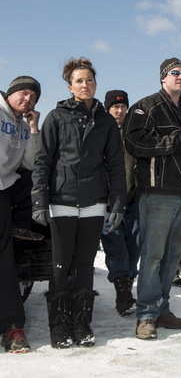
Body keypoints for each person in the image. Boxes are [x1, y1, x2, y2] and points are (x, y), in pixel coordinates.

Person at [32, 58, 126, 348]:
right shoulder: (56, 117)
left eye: (89, 80)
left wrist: (118, 202)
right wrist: (39, 200)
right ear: (70, 85)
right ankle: (59, 326)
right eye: (79, 81)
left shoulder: (105, 120)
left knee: (85, 264)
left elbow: (115, 166)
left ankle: (82, 323)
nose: (86, 85)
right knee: (61, 265)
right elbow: (42, 160)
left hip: (93, 202)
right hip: (62, 200)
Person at [123, 57, 181, 340]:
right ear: (163, 77)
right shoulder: (145, 108)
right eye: (175, 73)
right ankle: (146, 315)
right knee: (153, 256)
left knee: (172, 257)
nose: (180, 77)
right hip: (156, 193)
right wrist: (178, 142)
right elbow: (134, 143)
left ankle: (162, 309)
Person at [0, 76, 41, 353]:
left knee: (5, 258)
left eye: (33, 98)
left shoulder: (22, 124)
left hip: (4, 189)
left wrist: (33, 128)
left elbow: (30, 162)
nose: (27, 100)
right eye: (23, 94)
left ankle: (12, 325)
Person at [100, 90, 139, 316]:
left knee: (133, 246)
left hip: (133, 199)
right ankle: (122, 291)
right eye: (115, 106)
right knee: (116, 248)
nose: (119, 110)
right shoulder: (100, 131)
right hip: (107, 201)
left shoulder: (134, 132)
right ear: (108, 109)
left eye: (123, 106)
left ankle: (127, 283)